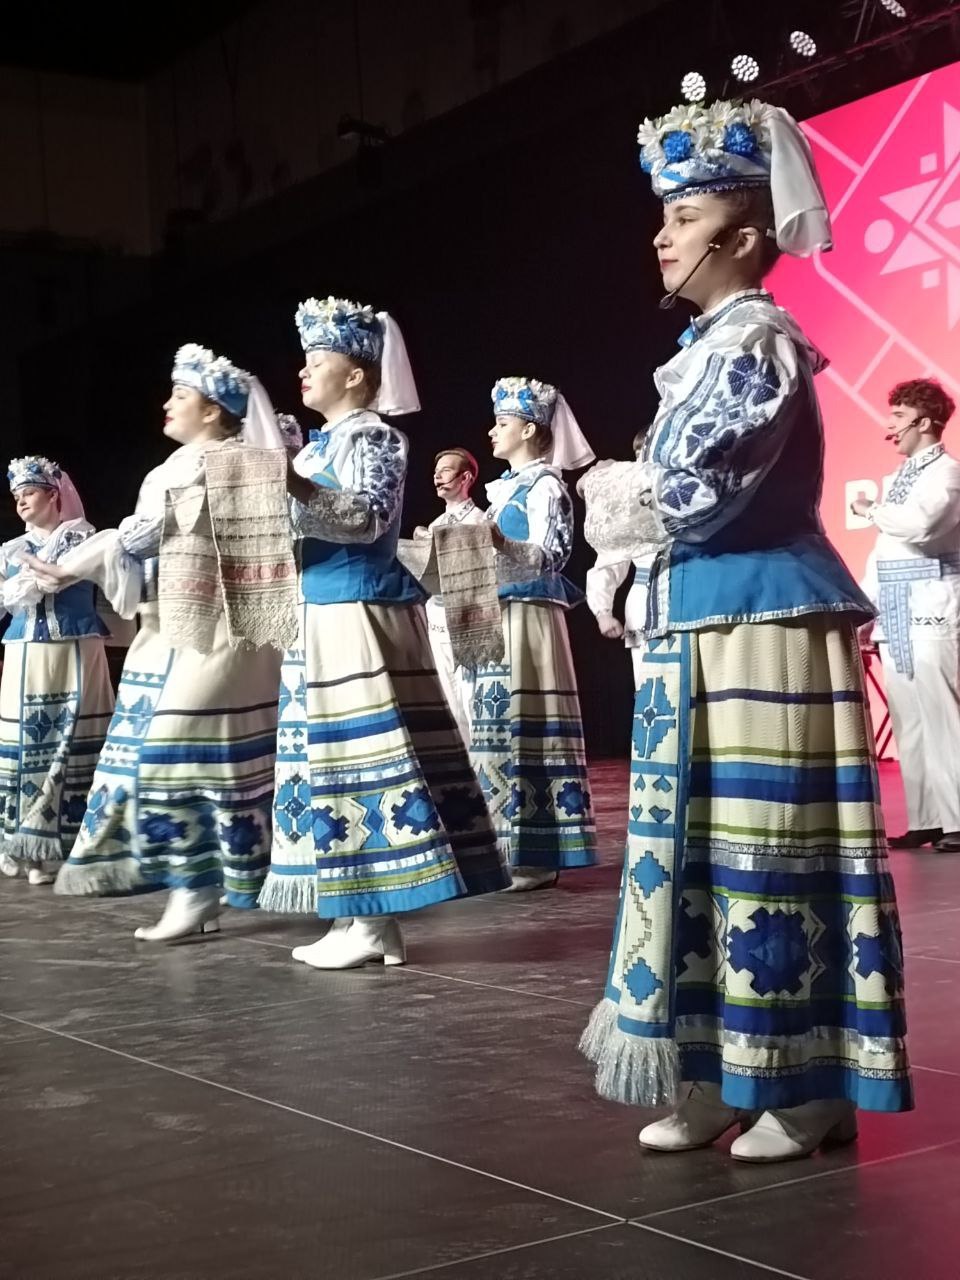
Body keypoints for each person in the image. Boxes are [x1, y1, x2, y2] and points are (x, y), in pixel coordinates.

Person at [580, 97, 912, 1163]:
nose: (662, 236)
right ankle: (725, 1069)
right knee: (698, 852)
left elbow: (695, 490)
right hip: (702, 621)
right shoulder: (709, 346)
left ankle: (804, 1082)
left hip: (762, 617)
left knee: (770, 847)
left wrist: (614, 489)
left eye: (684, 217)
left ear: (744, 236)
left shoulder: (759, 341)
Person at [257, 296, 507, 968]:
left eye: (317, 360)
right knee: (330, 763)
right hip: (321, 611)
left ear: (356, 374)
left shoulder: (375, 438)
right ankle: (356, 915)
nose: (303, 371)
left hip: (358, 612)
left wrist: (292, 489)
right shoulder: (322, 446)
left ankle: (373, 923)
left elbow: (368, 517)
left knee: (359, 759)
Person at [29, 344, 294, 941]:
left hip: (221, 629)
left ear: (213, 409)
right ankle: (198, 887)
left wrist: (73, 565)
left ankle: (205, 887)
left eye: (181, 395)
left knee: (177, 750)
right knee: (165, 756)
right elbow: (145, 545)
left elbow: (145, 535)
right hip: (169, 626)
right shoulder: (171, 467)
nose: (167, 404)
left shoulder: (230, 461)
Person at [470, 376, 597, 892]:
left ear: (528, 428)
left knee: (528, 725)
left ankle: (539, 854)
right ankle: (506, 846)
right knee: (498, 729)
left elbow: (552, 556)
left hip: (529, 615)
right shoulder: (504, 491)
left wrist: (498, 542)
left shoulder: (546, 487)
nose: (492, 431)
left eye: (502, 423)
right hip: (499, 614)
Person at [853, 378, 960, 852]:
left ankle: (958, 819)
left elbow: (921, 527)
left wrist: (871, 509)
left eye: (898, 416)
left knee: (942, 713)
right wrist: (864, 611)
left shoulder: (949, 474)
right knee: (908, 718)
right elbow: (884, 554)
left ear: (925, 421)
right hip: (895, 608)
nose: (889, 425)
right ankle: (927, 818)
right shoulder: (897, 479)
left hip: (933, 604)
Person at [0, 458, 114, 884]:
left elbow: (56, 581)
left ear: (53, 494)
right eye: (16, 496)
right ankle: (19, 842)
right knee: (26, 740)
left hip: (74, 646)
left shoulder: (82, 538)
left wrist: (30, 582)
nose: (21, 502)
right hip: (26, 651)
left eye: (29, 493)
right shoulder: (12, 550)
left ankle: (75, 842)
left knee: (74, 733)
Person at [416, 448, 486, 741]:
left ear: (465, 477)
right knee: (448, 695)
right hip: (437, 615)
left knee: (471, 692)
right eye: (436, 472)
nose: (437, 477)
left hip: (468, 617)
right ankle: (463, 760)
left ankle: (481, 757)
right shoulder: (435, 524)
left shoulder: (480, 520)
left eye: (445, 470)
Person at [582, 427, 658, 685]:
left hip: (684, 597)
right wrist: (603, 612)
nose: (641, 458)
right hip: (643, 603)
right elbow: (609, 559)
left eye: (648, 449)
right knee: (646, 681)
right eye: (637, 453)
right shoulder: (629, 502)